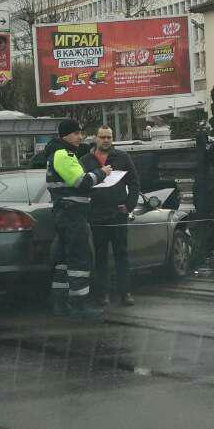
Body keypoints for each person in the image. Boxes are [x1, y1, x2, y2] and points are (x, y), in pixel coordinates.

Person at [44, 118, 110, 319]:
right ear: (65, 135)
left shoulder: (60, 153)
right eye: (75, 133)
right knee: (80, 259)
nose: (80, 137)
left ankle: (60, 303)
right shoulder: (63, 155)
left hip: (66, 213)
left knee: (64, 260)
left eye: (80, 133)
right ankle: (80, 304)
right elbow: (81, 182)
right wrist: (102, 172)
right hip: (72, 214)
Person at [88, 125, 141, 307]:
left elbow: (134, 183)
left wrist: (129, 205)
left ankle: (125, 292)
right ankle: (103, 293)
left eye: (109, 137)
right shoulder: (86, 160)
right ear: (96, 138)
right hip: (96, 216)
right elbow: (79, 184)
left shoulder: (122, 157)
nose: (106, 140)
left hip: (118, 215)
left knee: (121, 254)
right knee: (100, 256)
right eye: (102, 137)